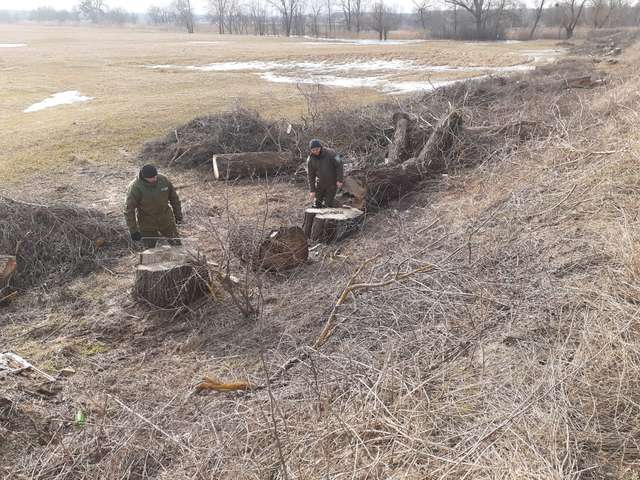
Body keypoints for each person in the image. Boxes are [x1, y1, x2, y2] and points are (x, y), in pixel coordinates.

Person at [124, 164, 183, 248]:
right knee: (149, 250)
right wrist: (133, 230)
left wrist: (178, 215)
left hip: (166, 220)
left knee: (177, 245)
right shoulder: (135, 187)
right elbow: (129, 210)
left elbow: (174, 199)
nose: (154, 179)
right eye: (151, 178)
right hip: (147, 225)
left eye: (155, 176)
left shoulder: (163, 180)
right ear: (144, 177)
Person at [307, 139, 344, 208]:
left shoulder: (332, 153)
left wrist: (340, 179)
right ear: (310, 150)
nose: (315, 152)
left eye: (317, 149)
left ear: (320, 147)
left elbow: (340, 163)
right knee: (317, 204)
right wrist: (312, 190)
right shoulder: (310, 160)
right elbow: (311, 176)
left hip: (332, 183)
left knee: (328, 204)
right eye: (313, 150)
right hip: (320, 184)